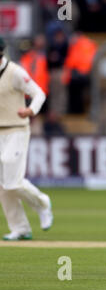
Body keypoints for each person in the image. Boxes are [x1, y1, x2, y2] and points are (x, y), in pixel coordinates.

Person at [0, 37, 53, 241]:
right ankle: (20, 228)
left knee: (11, 181)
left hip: (17, 129)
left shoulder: (15, 72)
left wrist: (30, 109)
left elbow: (39, 93)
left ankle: (42, 202)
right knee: (3, 186)